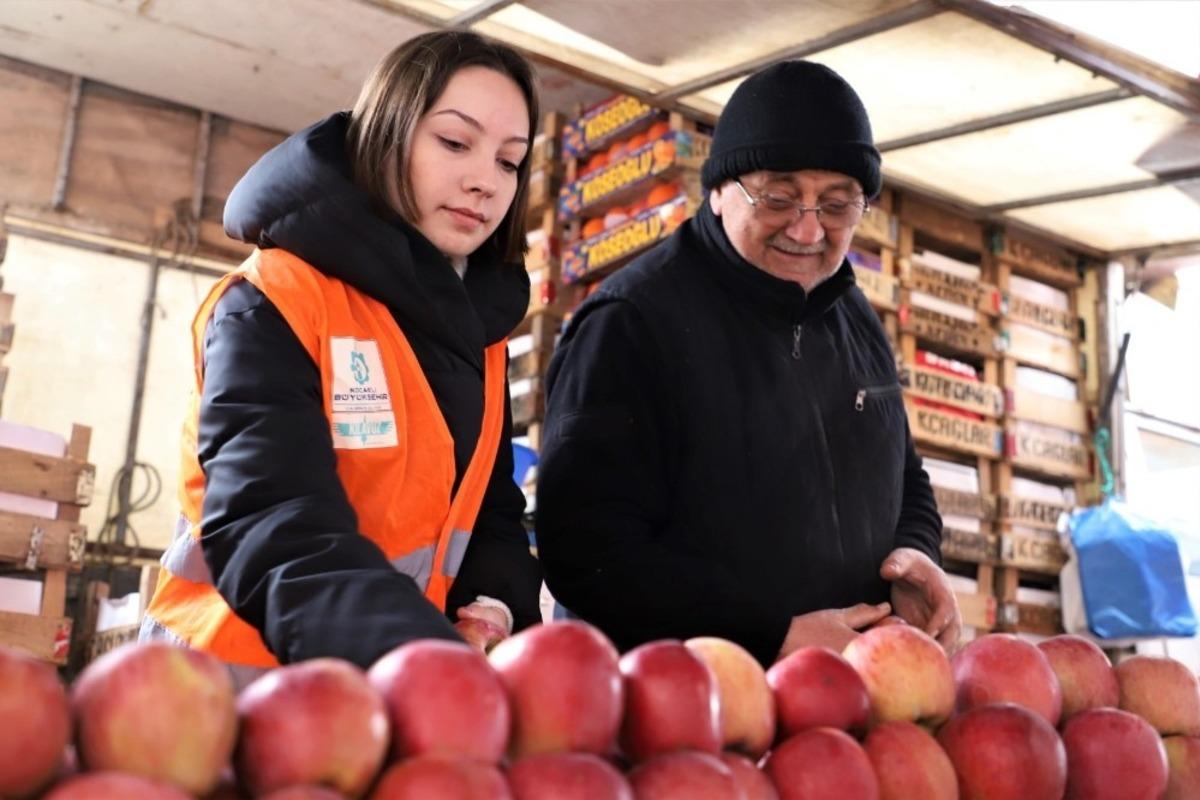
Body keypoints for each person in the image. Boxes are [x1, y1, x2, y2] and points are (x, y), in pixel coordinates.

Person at [141, 31, 542, 685]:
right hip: (230, 683)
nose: (485, 182)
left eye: (510, 161)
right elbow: (269, 517)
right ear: (387, 135)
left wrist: (494, 605)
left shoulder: (481, 331)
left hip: (389, 688)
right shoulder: (274, 300)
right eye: (454, 142)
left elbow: (490, 508)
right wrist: (417, 653)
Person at [536, 60, 960, 668]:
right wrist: (769, 632)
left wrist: (914, 554)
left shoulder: (854, 315)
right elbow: (587, 550)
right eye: (780, 197)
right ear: (718, 188)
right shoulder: (632, 322)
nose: (808, 230)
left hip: (848, 698)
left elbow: (902, 472)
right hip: (681, 705)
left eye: (837, 206)